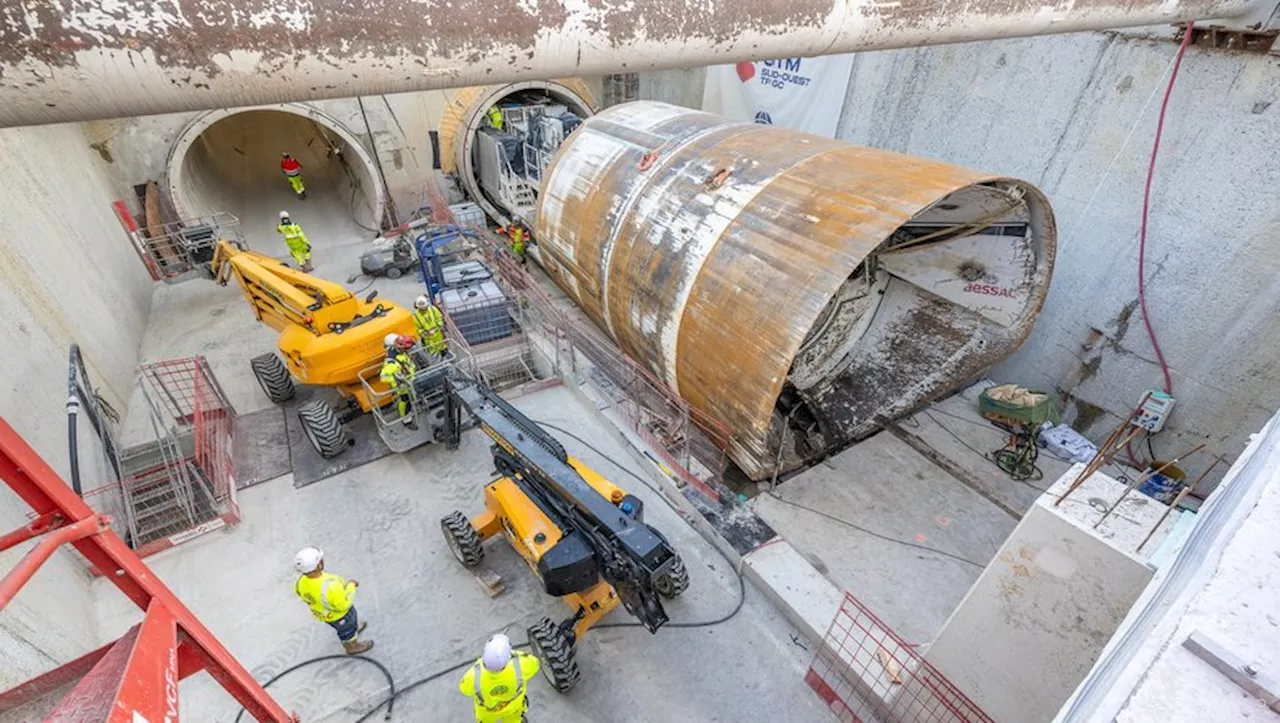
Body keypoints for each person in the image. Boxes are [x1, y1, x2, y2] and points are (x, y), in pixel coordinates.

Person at [293, 547, 373, 655]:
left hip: (324, 615)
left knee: (343, 626)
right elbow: (343, 604)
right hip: (341, 615)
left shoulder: (301, 582)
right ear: (318, 565)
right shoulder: (330, 585)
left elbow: (300, 593)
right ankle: (352, 646)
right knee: (347, 630)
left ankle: (353, 631)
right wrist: (351, 586)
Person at [458, 634, 540, 723]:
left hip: (488, 712)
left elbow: (464, 689)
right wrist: (517, 654)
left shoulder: (472, 676)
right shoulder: (521, 665)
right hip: (513, 708)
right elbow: (535, 664)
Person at [379, 334, 417, 428]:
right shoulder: (391, 363)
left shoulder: (398, 351)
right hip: (403, 386)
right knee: (405, 401)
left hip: (410, 380)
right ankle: (406, 420)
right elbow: (383, 377)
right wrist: (398, 380)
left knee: (411, 398)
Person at [412, 295, 447, 361]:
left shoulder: (433, 309)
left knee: (444, 353)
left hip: (439, 337)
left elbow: (439, 318)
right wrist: (426, 333)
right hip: (429, 341)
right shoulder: (416, 316)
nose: (423, 308)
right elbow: (418, 329)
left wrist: (437, 327)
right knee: (435, 358)